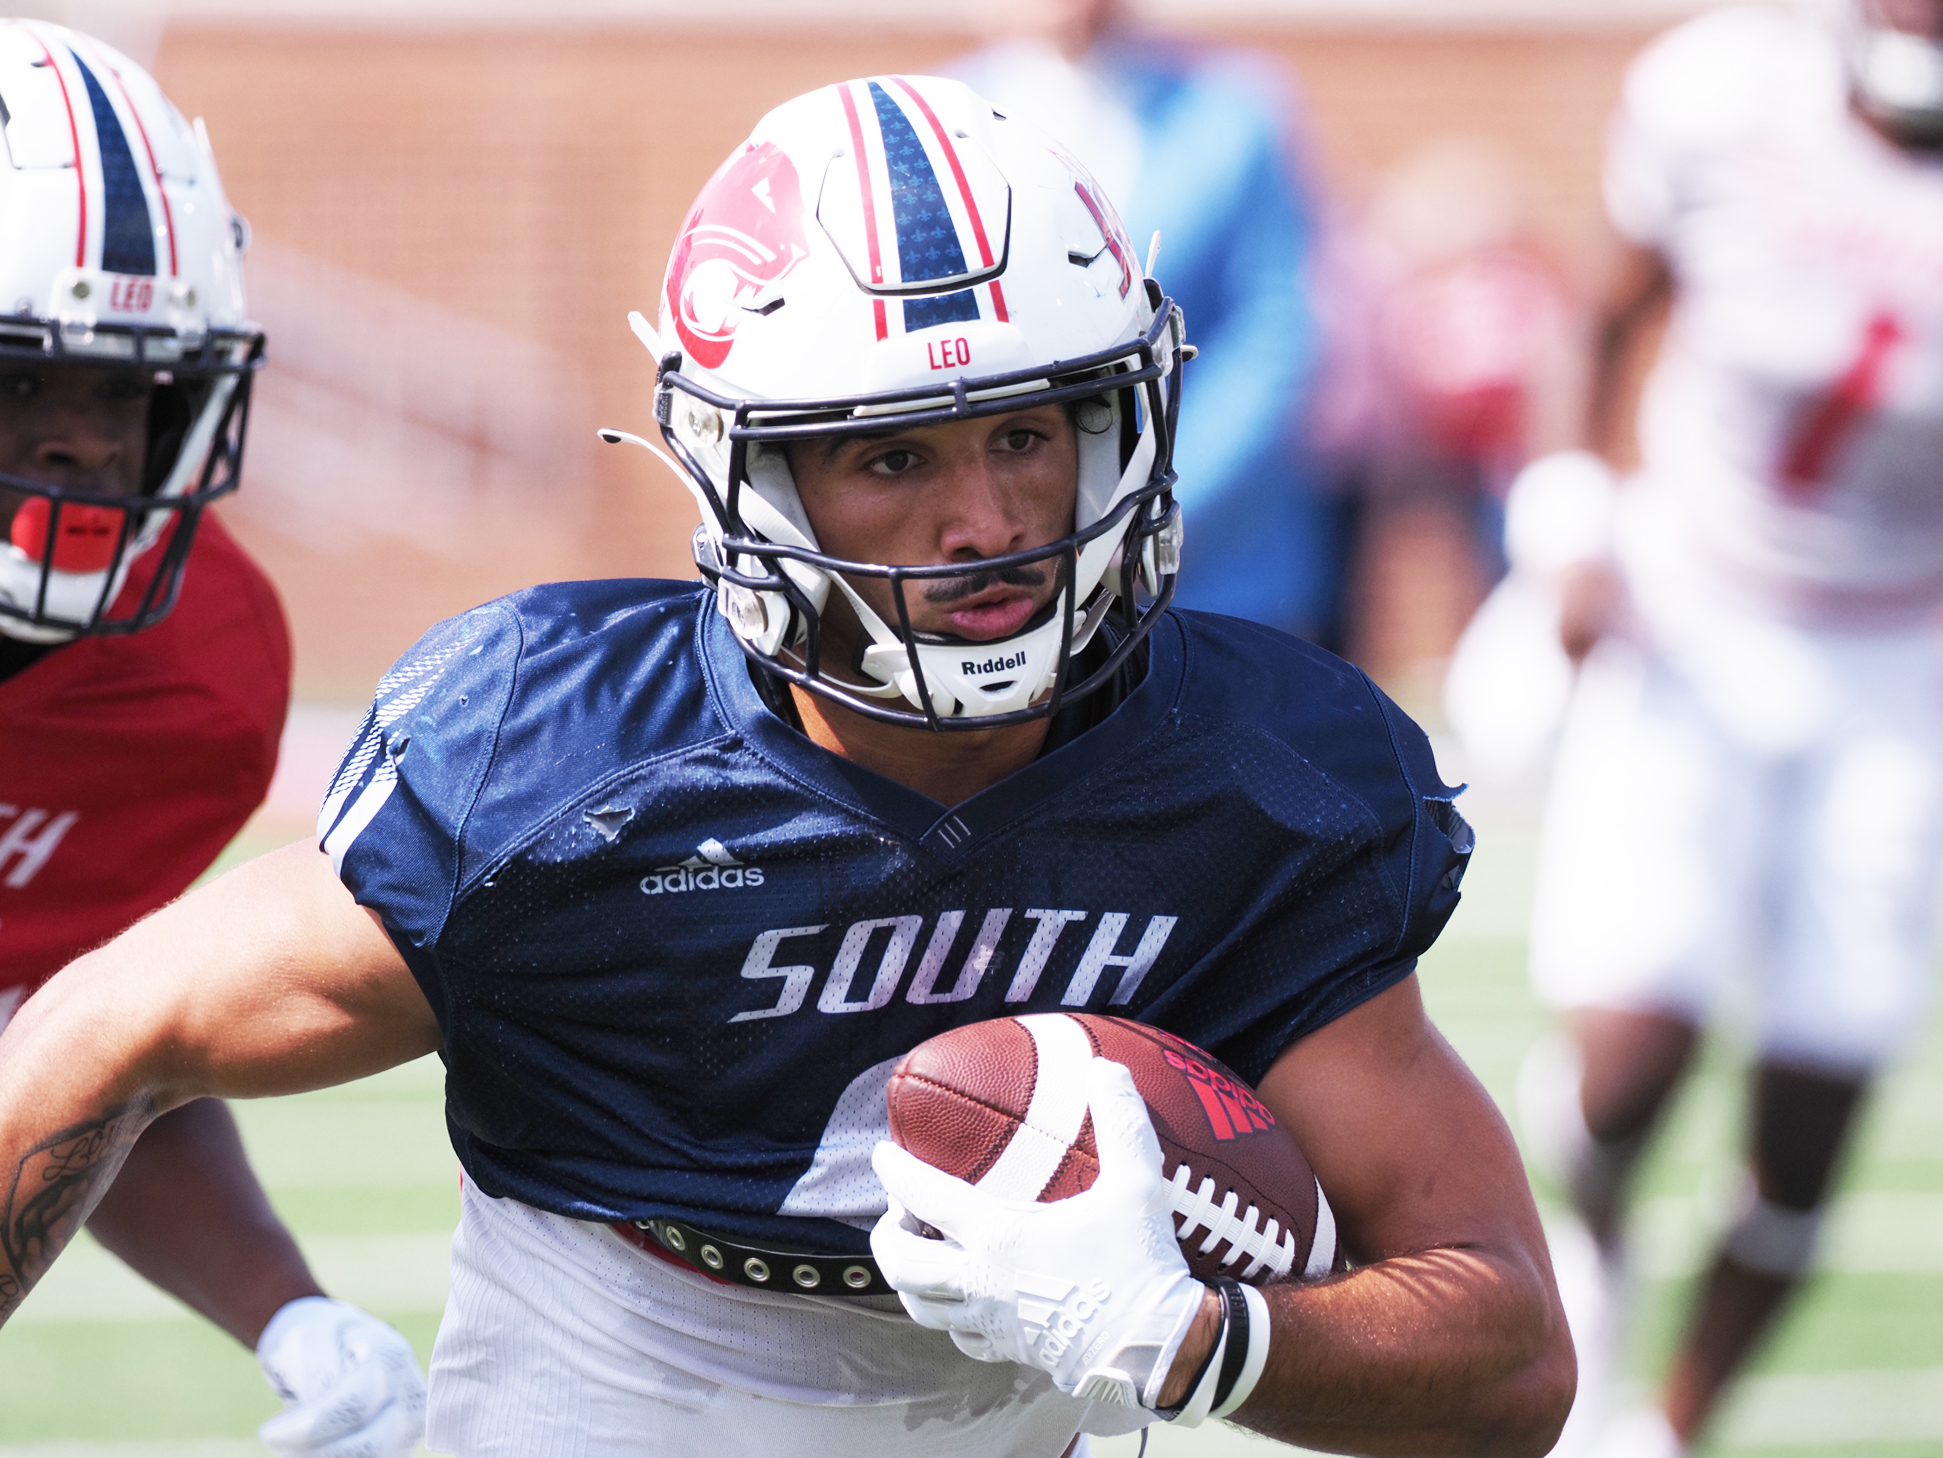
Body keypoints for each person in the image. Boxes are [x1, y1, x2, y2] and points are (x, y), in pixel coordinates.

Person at [0, 74, 1573, 1457]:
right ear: (750, 475)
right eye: (892, 455)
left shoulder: (1253, 782)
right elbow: (100, 1029)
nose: (984, 520)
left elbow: (1508, 1360)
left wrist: (1193, 1337)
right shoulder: (559, 763)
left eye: (1030, 433)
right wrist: (279, 1305)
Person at [1491, 3, 1943, 1453]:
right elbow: (1601, 306)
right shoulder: (1720, 92)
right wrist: (1566, 523)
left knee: (1814, 1094)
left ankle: (1671, 1431)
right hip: (1699, 598)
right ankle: (1594, 1234)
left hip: (1903, 652)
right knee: (1626, 1057)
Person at [0, 20, 424, 1456]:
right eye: (21, 384)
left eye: (124, 391)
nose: (76, 444)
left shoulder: (193, 675)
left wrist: (285, 1309)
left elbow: (78, 1042)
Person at [954, 0, 1328, 638]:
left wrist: (1146, 501)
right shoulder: (938, 121)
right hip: (1013, 567)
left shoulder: (1232, 117)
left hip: (1215, 574)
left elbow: (1276, 339)